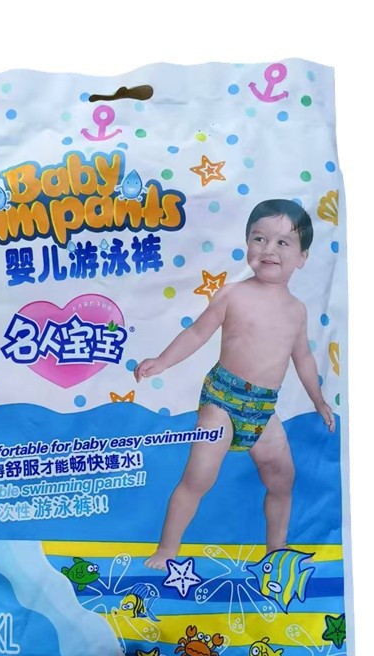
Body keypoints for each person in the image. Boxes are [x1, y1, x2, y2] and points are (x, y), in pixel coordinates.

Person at [134, 199, 335, 569]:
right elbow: (197, 333)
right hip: (222, 400)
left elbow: (303, 358)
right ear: (247, 245)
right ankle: (166, 550)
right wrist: (162, 361)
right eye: (259, 238)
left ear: (302, 257)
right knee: (198, 477)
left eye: (282, 242)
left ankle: (276, 550)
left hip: (263, 409)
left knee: (282, 480)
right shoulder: (233, 294)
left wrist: (319, 401)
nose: (269, 248)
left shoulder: (297, 311)